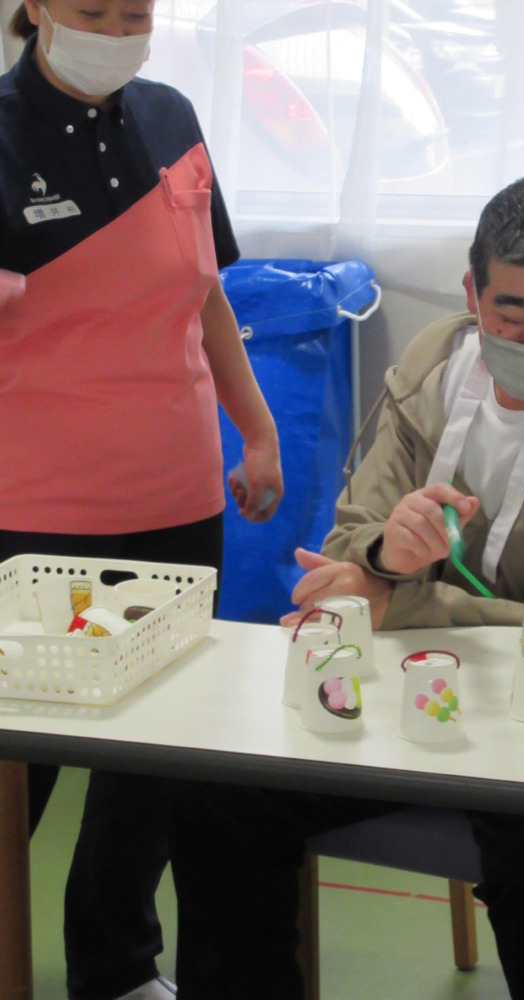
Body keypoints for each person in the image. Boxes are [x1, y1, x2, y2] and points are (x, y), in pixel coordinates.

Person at [169, 174, 524, 1000]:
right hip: (404, 693)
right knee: (218, 795)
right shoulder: (434, 364)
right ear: (471, 294)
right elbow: (349, 550)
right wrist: (386, 555)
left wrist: (396, 596)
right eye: (510, 311)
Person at [0, 2, 283, 998]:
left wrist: (257, 430)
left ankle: (116, 963)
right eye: (92, 9)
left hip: (177, 493)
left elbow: (205, 296)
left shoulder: (171, 118)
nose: (116, 29)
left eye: (136, 11)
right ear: (38, 6)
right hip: (38, 510)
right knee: (19, 765)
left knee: (155, 756)